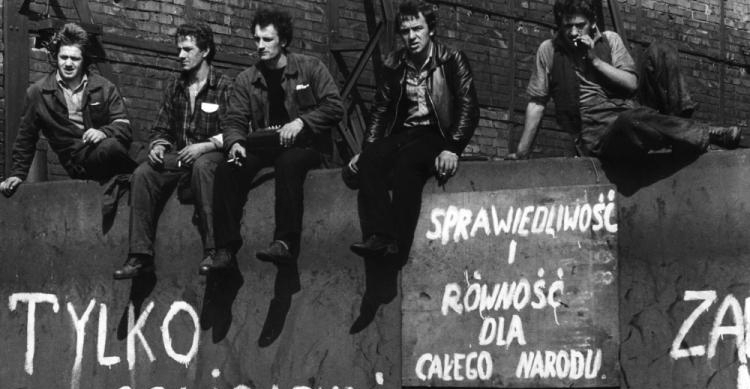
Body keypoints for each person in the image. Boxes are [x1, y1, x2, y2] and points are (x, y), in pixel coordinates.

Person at [506, 0, 741, 162]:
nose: (574, 32)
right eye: (568, 26)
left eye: (580, 25)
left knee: (662, 51)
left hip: (632, 111)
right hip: (599, 135)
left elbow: (631, 84)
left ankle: (682, 133)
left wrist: (595, 61)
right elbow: (537, 102)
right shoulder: (549, 50)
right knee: (630, 121)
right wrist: (522, 152)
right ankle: (704, 134)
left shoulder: (610, 40)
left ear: (592, 23)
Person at [209, 8, 343, 269]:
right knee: (228, 168)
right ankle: (225, 249)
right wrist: (235, 142)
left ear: (283, 41)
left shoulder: (310, 67)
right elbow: (234, 119)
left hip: (306, 145)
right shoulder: (247, 79)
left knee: (288, 163)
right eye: (257, 39)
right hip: (266, 144)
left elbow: (335, 107)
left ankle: (284, 242)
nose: (260, 45)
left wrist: (302, 122)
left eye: (267, 39)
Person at [348, 0, 479, 264]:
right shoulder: (394, 63)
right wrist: (367, 149)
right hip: (405, 133)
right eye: (406, 31)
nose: (412, 36)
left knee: (408, 164)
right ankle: (380, 236)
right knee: (371, 159)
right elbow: (381, 110)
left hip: (437, 134)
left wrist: (452, 148)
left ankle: (398, 246)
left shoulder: (451, 59)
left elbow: (469, 107)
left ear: (430, 29)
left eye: (417, 29)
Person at [114, 23, 232, 279]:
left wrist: (206, 146)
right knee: (144, 173)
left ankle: (215, 251)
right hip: (182, 159)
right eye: (179, 49)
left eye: (188, 49)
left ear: (205, 51)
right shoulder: (175, 87)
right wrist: (159, 145)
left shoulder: (223, 85)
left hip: (213, 157)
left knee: (203, 165)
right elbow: (161, 128)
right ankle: (140, 256)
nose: (180, 55)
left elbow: (236, 130)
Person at [1, 23, 134, 197]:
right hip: (79, 162)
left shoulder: (104, 87)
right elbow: (26, 137)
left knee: (149, 154)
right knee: (112, 148)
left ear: (84, 60)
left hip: (109, 152)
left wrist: (103, 132)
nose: (68, 64)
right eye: (63, 57)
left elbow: (124, 126)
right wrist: (18, 174)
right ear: (56, 57)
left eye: (75, 59)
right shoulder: (39, 92)